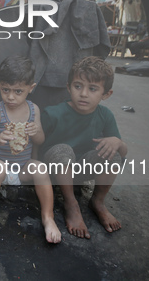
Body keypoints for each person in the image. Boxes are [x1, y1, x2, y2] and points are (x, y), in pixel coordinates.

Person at [39, 56, 128, 239]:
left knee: (114, 154)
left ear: (106, 94)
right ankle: (71, 203)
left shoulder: (105, 115)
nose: (84, 94)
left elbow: (123, 153)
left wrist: (117, 142)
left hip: (81, 170)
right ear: (68, 87)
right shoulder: (53, 114)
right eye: (78, 86)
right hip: (53, 170)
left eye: (93, 89)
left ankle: (98, 201)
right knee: (63, 150)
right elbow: (36, 143)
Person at [0, 56, 61, 243]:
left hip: (22, 167)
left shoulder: (33, 110)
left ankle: (48, 217)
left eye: (18, 91)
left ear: (31, 88)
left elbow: (40, 140)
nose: (11, 96)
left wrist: (36, 131)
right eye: (5, 90)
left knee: (40, 169)